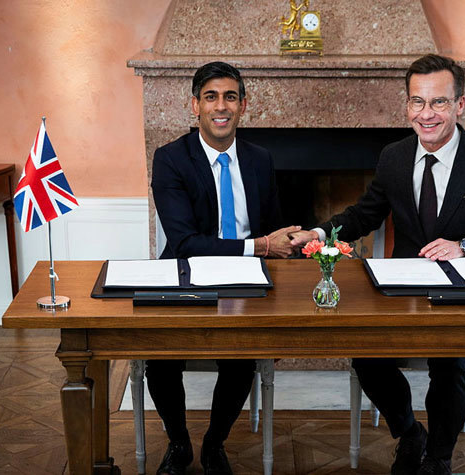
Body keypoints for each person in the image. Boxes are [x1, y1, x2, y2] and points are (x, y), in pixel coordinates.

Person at [290, 54, 465, 474]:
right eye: (417, 102)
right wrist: (320, 233)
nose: (427, 114)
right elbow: (365, 214)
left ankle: (438, 459)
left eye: (438, 102)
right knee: (365, 353)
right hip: (403, 287)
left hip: (460, 291)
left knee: (450, 366)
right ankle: (408, 433)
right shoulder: (394, 157)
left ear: (460, 105)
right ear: (406, 106)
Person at [149, 61, 298, 475]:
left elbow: (274, 229)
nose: (221, 106)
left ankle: (215, 443)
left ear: (243, 105)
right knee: (160, 358)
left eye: (230, 97)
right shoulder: (170, 159)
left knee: (241, 356)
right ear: (194, 105)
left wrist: (287, 244)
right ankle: (179, 443)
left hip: (246, 279)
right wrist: (261, 246)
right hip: (185, 275)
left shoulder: (260, 158)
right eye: (211, 97)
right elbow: (184, 242)